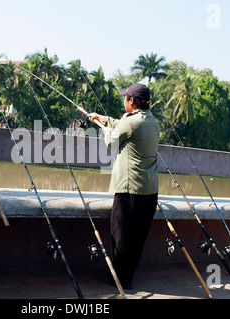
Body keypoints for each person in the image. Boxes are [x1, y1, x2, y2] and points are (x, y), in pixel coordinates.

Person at [88, 83, 160, 290]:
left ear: (132, 101)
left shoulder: (131, 123)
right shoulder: (152, 122)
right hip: (149, 191)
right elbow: (120, 124)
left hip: (129, 190)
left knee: (121, 236)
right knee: (137, 238)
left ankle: (119, 280)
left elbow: (112, 141)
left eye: (125, 97)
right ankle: (127, 277)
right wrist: (101, 118)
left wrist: (103, 130)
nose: (123, 100)